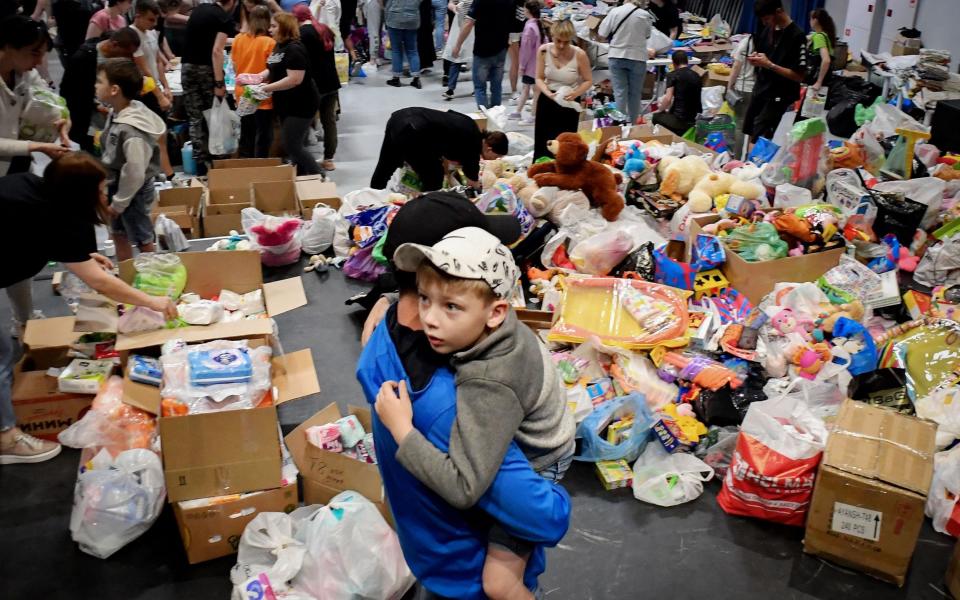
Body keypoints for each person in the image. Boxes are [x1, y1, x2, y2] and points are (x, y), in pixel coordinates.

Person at [357, 192, 570, 600]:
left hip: (536, 462)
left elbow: (467, 485)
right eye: (425, 298)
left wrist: (404, 431)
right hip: (528, 439)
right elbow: (544, 518)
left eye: (451, 305)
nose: (432, 317)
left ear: (494, 312)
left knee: (499, 580)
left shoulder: (386, 345)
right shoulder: (453, 390)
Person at [0, 153, 177, 465]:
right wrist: (154, 302)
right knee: (1, 355)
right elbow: (103, 285)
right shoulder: (57, 218)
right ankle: (6, 437)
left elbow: (24, 237)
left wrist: (80, 257)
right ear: (77, 192)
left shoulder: (31, 186)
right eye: (98, 189)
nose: (104, 194)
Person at [0, 16, 72, 337]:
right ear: (5, 47)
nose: (40, 61)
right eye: (33, 52)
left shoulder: (23, 73)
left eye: (43, 53)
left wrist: (61, 121)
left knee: (16, 247)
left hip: (17, 165)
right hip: (14, 156)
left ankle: (24, 319)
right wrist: (35, 145)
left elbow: (49, 102)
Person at [96, 58, 165, 262]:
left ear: (115, 89)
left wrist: (119, 203)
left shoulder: (131, 129)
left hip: (131, 189)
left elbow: (134, 172)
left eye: (99, 81)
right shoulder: (118, 112)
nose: (95, 86)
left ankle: (154, 273)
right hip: (117, 184)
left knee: (141, 234)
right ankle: (125, 271)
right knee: (118, 232)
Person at [370, 107, 506, 191]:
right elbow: (472, 182)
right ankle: (427, 208)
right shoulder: (473, 148)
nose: (495, 160)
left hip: (399, 117)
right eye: (497, 156)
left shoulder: (471, 125)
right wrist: (480, 190)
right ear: (489, 148)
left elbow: (447, 116)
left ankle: (372, 197)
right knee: (434, 177)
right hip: (413, 129)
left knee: (386, 163)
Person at [60, 27, 141, 153]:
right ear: (114, 45)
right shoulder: (83, 58)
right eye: (126, 53)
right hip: (81, 114)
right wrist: (96, 105)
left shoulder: (113, 58)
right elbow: (71, 91)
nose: (129, 58)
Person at [260, 12, 321, 175]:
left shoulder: (295, 49)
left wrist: (266, 88)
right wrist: (259, 76)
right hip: (286, 103)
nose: (269, 29)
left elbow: (294, 79)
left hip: (301, 105)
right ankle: (302, 178)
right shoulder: (278, 45)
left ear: (285, 27)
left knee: (292, 145)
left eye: (273, 26)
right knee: (293, 145)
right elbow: (274, 67)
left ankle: (318, 176)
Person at [181, 0, 237, 174]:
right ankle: (219, 161)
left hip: (187, 67)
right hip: (206, 69)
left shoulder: (199, 10)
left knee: (194, 117)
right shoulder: (223, 18)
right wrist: (219, 83)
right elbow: (216, 51)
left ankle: (199, 164)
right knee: (215, 115)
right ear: (233, 2)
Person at [742, 0, 806, 148]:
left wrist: (769, 65)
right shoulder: (769, 31)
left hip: (779, 94)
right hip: (762, 88)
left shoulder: (797, 36)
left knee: (760, 134)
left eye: (767, 19)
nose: (765, 23)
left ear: (778, 12)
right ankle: (745, 165)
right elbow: (765, 55)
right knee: (750, 128)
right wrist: (757, 60)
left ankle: (752, 166)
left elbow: (799, 76)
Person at [533, 19, 591, 159]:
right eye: (558, 40)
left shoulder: (580, 55)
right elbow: (539, 78)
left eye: (566, 42)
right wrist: (548, 93)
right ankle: (543, 168)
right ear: (552, 36)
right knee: (543, 140)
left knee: (565, 143)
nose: (561, 45)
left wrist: (576, 93)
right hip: (548, 99)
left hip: (569, 101)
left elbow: (588, 80)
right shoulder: (543, 50)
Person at [293, 3, 340, 171]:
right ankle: (329, 159)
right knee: (329, 121)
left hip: (314, 85)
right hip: (331, 81)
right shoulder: (324, 29)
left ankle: (302, 159)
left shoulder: (302, 35)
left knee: (303, 121)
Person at [132, 0, 175, 180]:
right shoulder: (132, 36)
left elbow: (157, 62)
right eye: (150, 20)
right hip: (144, 92)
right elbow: (144, 69)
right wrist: (159, 95)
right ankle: (167, 174)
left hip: (155, 88)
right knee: (156, 134)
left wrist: (166, 87)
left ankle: (163, 173)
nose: (153, 24)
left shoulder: (150, 33)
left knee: (161, 133)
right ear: (138, 16)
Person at [599, 0, 652, 126]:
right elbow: (647, 35)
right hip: (637, 58)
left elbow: (602, 33)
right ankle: (632, 126)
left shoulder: (615, 12)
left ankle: (620, 125)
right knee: (635, 94)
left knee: (620, 92)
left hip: (616, 56)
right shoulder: (645, 15)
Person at [233, 5, 275, 159]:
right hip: (262, 94)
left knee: (246, 133)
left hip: (243, 93)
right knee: (263, 134)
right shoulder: (269, 43)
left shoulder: (238, 39)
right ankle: (260, 165)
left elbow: (234, 65)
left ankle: (245, 164)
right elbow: (273, 69)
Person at [452, 0, 511, 109]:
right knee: (497, 86)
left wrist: (458, 45)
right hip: (501, 47)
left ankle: (484, 119)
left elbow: (468, 23)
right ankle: (496, 116)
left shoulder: (479, 2)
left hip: (482, 49)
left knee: (480, 87)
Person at [652, 51, 701, 135]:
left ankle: (672, 135)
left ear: (673, 63)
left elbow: (668, 99)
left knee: (656, 117)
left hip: (679, 121)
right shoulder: (696, 75)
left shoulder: (672, 75)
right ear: (687, 61)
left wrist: (659, 110)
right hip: (692, 120)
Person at [509, 0, 541, 124]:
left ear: (527, 11)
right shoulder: (539, 24)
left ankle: (532, 115)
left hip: (531, 65)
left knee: (533, 90)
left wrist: (522, 66)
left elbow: (526, 50)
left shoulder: (529, 27)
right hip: (537, 63)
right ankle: (518, 112)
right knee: (527, 88)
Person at [727, 32, 756, 159]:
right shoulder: (768, 42)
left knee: (739, 125)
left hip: (743, 89)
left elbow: (736, 67)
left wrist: (729, 86)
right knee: (753, 127)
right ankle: (749, 158)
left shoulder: (746, 42)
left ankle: (737, 158)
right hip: (758, 90)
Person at [440, 0, 471, 101]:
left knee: (476, 60)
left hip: (474, 28)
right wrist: (454, 8)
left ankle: (478, 87)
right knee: (455, 57)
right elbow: (450, 3)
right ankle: (450, 89)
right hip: (459, 26)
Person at [384, 0, 421, 87]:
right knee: (412, 50)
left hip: (395, 18)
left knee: (396, 50)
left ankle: (396, 78)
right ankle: (416, 79)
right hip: (412, 19)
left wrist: (386, 19)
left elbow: (388, 3)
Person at [807, 8, 835, 94]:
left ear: (815, 20)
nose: (809, 21)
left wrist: (819, 82)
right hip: (826, 77)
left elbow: (826, 60)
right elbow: (807, 37)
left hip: (818, 78)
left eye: (810, 18)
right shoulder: (823, 34)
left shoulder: (819, 37)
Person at [505, 0, 523, 104]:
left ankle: (519, 89)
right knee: (515, 62)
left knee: (519, 61)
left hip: (521, 30)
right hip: (512, 32)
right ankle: (514, 90)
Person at [416, 0, 437, 73]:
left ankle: (421, 63)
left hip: (419, 13)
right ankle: (425, 62)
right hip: (426, 13)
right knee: (426, 35)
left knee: (420, 37)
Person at [363, 0, 383, 67]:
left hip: (374, 3)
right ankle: (375, 57)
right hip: (376, 3)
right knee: (376, 31)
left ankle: (373, 59)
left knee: (374, 31)